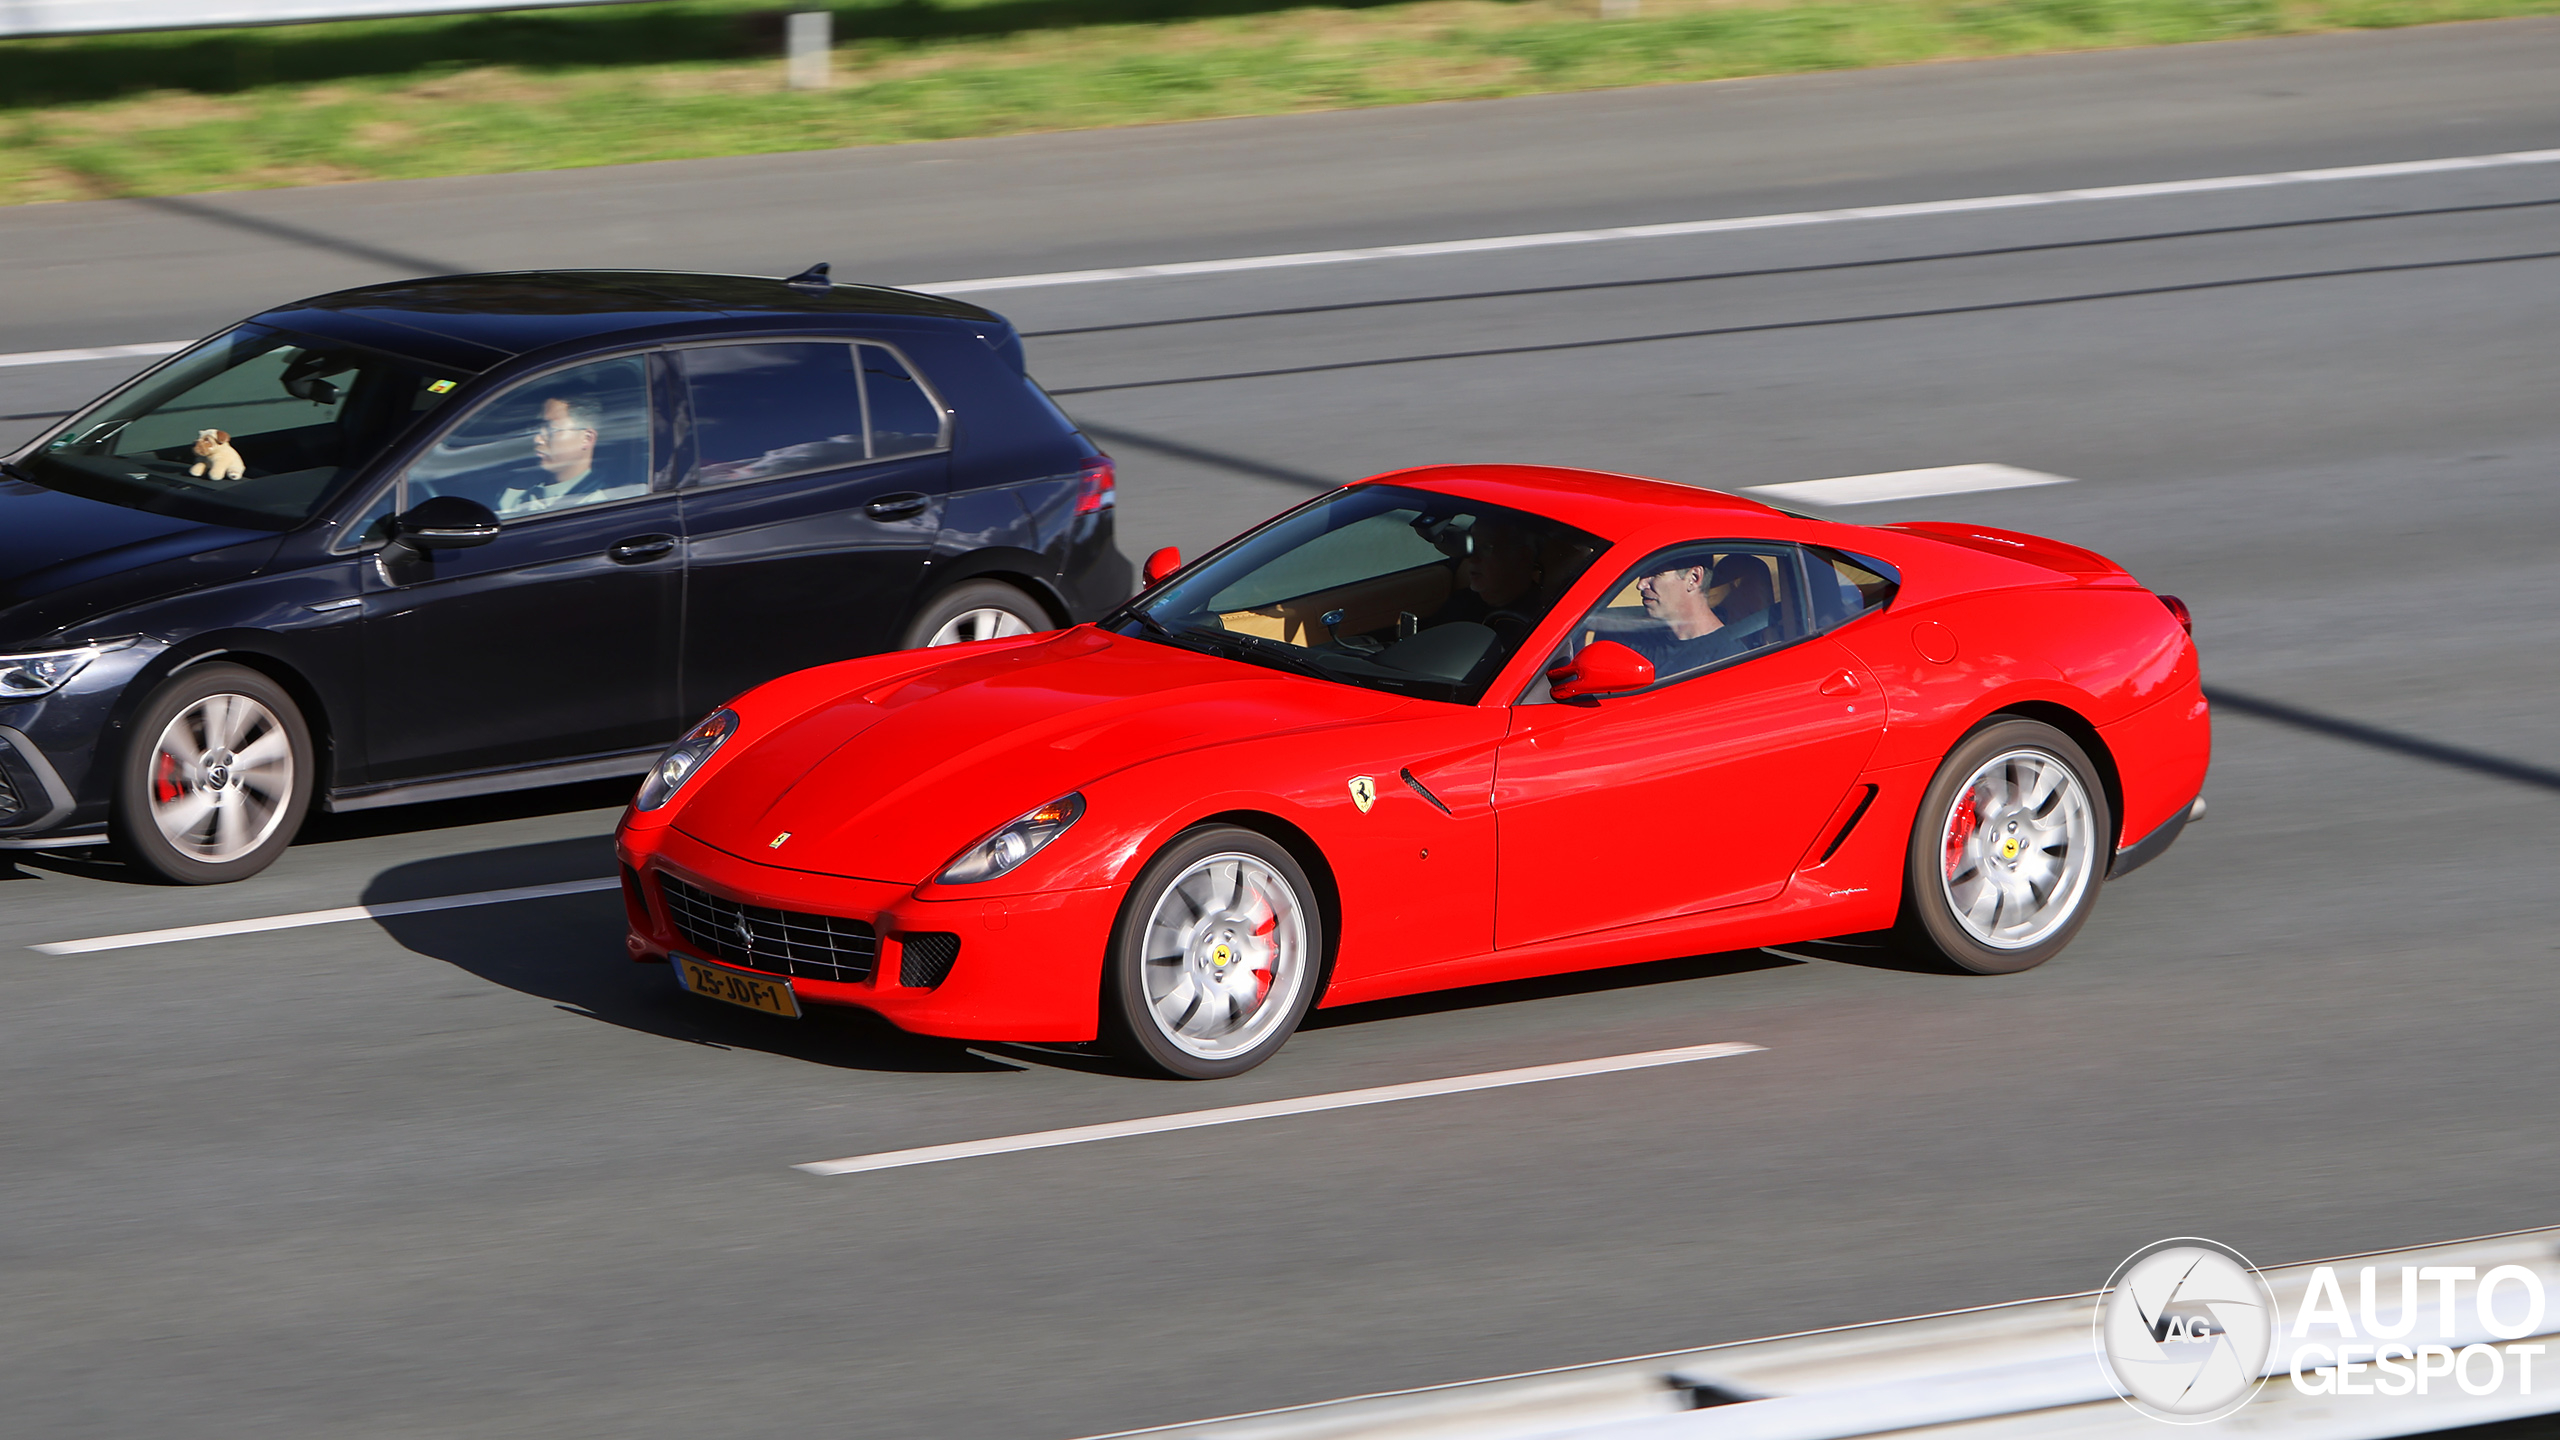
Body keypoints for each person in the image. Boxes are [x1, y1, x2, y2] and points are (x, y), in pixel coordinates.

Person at [498, 394, 612, 516]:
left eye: (551, 429)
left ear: (587, 438)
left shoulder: (601, 506)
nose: (537, 439)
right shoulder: (515, 489)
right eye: (538, 428)